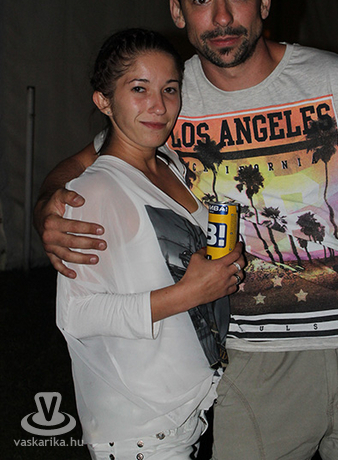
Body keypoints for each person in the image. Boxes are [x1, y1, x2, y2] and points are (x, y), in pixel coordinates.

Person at [35, 0, 338, 459]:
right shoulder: (167, 97)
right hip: (252, 361)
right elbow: (88, 162)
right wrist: (47, 206)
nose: (222, 18)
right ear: (178, 10)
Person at [54, 27, 245, 460]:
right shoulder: (95, 190)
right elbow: (75, 313)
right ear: (104, 101)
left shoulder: (170, 166)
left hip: (184, 413)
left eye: (169, 89)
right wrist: (190, 292)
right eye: (139, 89)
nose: (159, 106)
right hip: (138, 428)